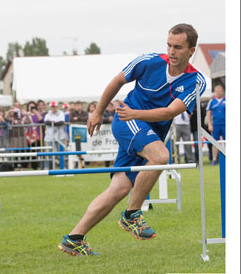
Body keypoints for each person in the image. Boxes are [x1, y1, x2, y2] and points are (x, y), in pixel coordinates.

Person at [58, 23, 206, 256]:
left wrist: (136, 114)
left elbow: (169, 112)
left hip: (141, 123)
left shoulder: (196, 81)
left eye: (178, 47)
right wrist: (98, 112)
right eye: (169, 45)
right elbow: (117, 81)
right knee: (160, 156)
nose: (171, 51)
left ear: (191, 50)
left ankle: (74, 238)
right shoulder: (148, 61)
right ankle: (132, 215)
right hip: (127, 121)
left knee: (118, 189)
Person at [206, 84, 225, 165]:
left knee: (227, 141)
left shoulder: (226, 100)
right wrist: (209, 124)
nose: (219, 92)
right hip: (215, 124)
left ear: (223, 91)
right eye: (217, 91)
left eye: (220, 91)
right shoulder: (212, 101)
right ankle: (214, 159)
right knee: (215, 142)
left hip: (225, 124)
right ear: (215, 92)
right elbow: (208, 113)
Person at [43, 101, 65, 169]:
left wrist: (52, 122)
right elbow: (46, 122)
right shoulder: (48, 114)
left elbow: (61, 122)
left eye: (55, 106)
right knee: (47, 153)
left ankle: (63, 166)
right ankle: (46, 167)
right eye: (52, 107)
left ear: (57, 107)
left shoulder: (61, 113)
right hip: (49, 137)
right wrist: (55, 123)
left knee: (61, 152)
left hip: (59, 136)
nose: (53, 108)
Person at [23, 101, 43, 169]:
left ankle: (36, 166)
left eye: (33, 106)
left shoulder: (39, 113)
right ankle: (26, 166)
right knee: (29, 151)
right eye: (30, 106)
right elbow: (24, 123)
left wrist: (35, 112)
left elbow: (41, 120)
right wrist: (27, 115)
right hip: (29, 136)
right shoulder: (26, 115)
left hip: (37, 135)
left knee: (36, 151)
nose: (31, 108)